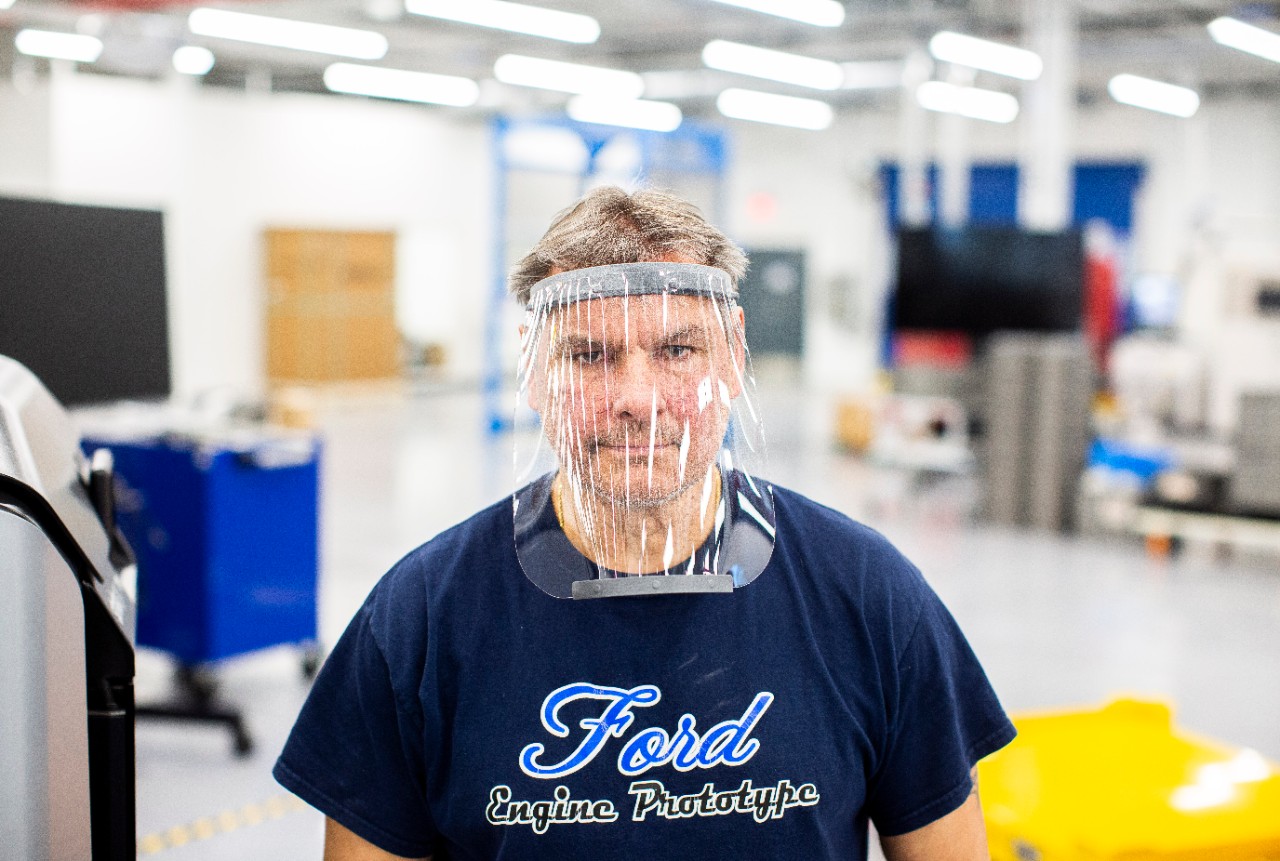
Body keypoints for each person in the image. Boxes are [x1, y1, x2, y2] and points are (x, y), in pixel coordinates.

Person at [274, 186, 1015, 861]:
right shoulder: (420, 620)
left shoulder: (868, 595)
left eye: (678, 349)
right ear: (533, 368)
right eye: (590, 355)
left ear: (734, 352)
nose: (639, 398)